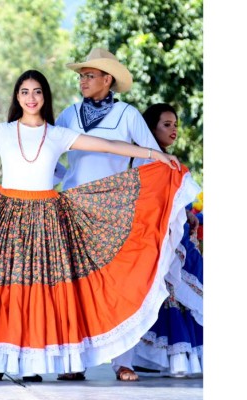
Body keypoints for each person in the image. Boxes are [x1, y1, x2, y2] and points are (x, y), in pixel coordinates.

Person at [0, 69, 200, 382]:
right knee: (0, 293)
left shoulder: (58, 134)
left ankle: (31, 363)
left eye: (37, 92)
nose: (31, 98)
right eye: (25, 92)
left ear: (45, 97)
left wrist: (154, 155)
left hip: (47, 220)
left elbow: (110, 146)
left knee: (37, 295)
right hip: (6, 219)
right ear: (18, 96)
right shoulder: (2, 131)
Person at [53, 48, 163, 382]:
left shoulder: (128, 115)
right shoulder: (68, 115)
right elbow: (48, 157)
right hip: (72, 208)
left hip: (115, 211)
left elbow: (152, 158)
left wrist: (135, 194)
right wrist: (52, 185)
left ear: (107, 79)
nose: (83, 81)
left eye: (89, 75)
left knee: (118, 284)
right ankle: (74, 362)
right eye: (81, 75)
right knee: (75, 286)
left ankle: (123, 361)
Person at [130, 103, 204, 378]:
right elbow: (147, 201)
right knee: (165, 293)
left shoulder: (165, 160)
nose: (174, 130)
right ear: (151, 128)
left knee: (177, 293)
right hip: (156, 236)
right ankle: (165, 359)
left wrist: (186, 211)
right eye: (167, 124)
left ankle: (175, 358)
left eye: (175, 125)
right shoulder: (144, 161)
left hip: (175, 235)